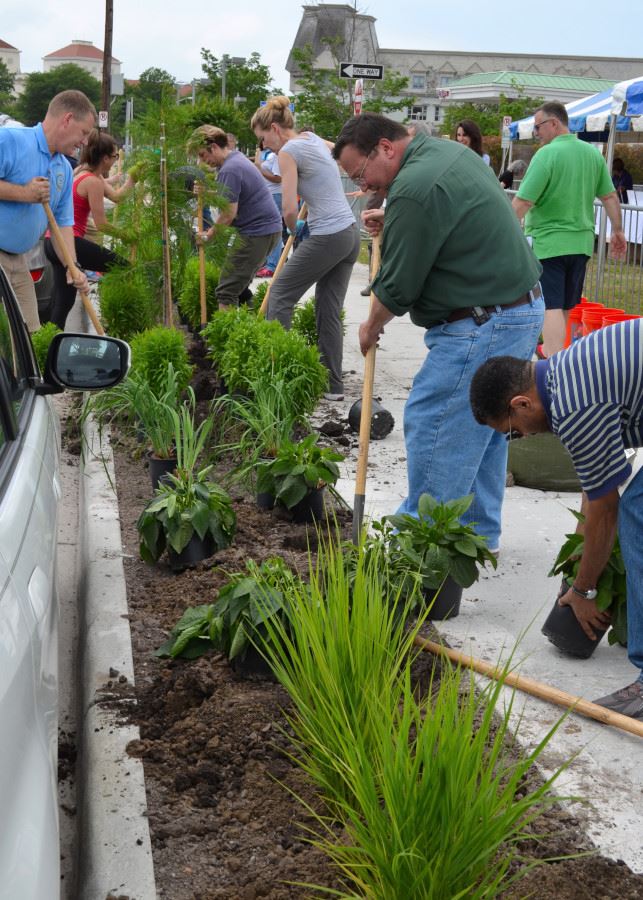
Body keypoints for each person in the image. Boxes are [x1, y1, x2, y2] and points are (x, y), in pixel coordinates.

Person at [332, 113, 544, 549]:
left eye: (360, 173)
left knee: (437, 420)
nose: (364, 184)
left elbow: (400, 286)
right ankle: (477, 536)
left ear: (386, 149)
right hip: (515, 308)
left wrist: (370, 325)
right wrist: (395, 226)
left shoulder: (413, 188)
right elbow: (448, 229)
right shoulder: (446, 153)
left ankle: (421, 544)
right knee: (486, 425)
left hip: (483, 320)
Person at [469, 318, 643, 720]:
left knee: (637, 512)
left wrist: (583, 592)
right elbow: (595, 486)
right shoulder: (563, 372)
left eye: (513, 430)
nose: (524, 437)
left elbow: (605, 510)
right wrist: (578, 561)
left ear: (521, 404)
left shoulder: (574, 407)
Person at [251, 96, 361, 401]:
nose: (265, 148)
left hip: (328, 235)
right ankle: (332, 387)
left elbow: (288, 205)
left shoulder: (287, 151)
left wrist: (291, 227)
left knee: (279, 296)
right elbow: (341, 154)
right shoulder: (311, 138)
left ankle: (279, 380)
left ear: (274, 128)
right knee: (327, 310)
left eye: (263, 140)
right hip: (349, 234)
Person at [512, 101, 627, 358]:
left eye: (538, 126)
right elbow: (609, 197)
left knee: (550, 304)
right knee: (565, 304)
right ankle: (558, 355)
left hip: (550, 242)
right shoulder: (591, 154)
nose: (536, 132)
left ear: (554, 123)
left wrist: (503, 232)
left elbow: (524, 201)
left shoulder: (546, 155)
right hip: (581, 243)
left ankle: (553, 362)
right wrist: (618, 230)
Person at [0, 90, 95, 331]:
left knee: (30, 336)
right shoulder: (9, 140)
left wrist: (72, 268)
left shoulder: (63, 167)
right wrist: (25, 193)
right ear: (67, 119)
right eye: (83, 133)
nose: (84, 142)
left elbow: (63, 224)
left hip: (18, 260)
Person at [44, 129, 135, 329]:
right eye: (114, 156)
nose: (114, 160)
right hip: (69, 242)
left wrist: (132, 179)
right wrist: (127, 236)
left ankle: (47, 341)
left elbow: (117, 197)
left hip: (52, 241)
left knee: (63, 298)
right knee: (122, 266)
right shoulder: (93, 181)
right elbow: (101, 224)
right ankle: (119, 312)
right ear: (104, 158)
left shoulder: (83, 171)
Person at [188, 125, 281, 310]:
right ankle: (249, 324)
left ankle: (228, 336)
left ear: (213, 147)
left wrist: (208, 235)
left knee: (226, 291)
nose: (203, 161)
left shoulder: (229, 169)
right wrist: (207, 193)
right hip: (265, 231)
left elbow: (229, 213)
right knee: (238, 287)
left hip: (256, 233)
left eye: (202, 155)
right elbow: (234, 196)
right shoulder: (236, 160)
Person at [254, 143, 283, 278]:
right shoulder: (270, 155)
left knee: (274, 229)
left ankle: (272, 265)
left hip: (275, 195)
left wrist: (260, 168)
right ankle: (268, 262)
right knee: (269, 230)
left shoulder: (277, 155)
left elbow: (278, 178)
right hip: (268, 195)